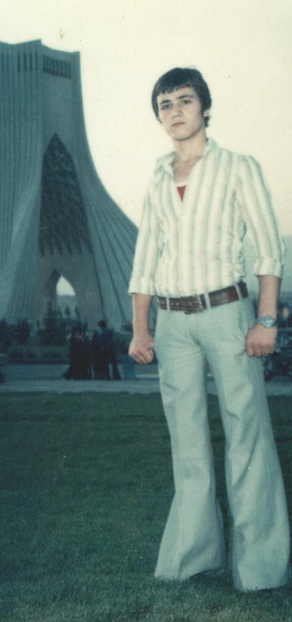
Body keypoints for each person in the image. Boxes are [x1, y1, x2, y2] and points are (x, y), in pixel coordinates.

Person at [128, 68, 290, 591]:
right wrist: (141, 329)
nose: (174, 111)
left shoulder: (238, 167)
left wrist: (267, 320)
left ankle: (260, 570)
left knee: (247, 436)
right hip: (173, 324)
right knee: (187, 442)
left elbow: (269, 249)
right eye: (165, 104)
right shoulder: (158, 178)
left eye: (184, 100)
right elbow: (145, 261)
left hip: (227, 313)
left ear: (204, 107)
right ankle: (192, 558)